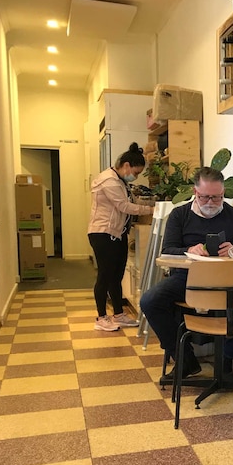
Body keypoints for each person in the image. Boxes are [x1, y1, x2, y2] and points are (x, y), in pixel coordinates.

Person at [139, 166, 233, 377]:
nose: (210, 202)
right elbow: (167, 250)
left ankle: (226, 361)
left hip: (228, 281)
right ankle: (185, 359)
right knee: (149, 301)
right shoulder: (179, 215)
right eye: (205, 197)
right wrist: (188, 250)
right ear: (194, 192)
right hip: (187, 279)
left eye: (217, 198)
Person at [87, 142, 154, 332]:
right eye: (136, 172)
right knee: (105, 276)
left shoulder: (120, 181)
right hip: (103, 233)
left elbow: (129, 202)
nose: (136, 176)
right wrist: (151, 209)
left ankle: (118, 314)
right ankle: (101, 318)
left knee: (116, 276)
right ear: (126, 166)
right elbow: (124, 207)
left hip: (116, 234)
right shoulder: (108, 180)